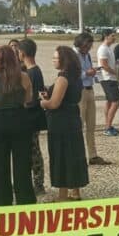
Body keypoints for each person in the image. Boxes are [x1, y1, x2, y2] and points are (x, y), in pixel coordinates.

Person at [0, 46, 35, 206]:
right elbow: (28, 98)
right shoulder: (24, 76)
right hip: (19, 119)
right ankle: (25, 199)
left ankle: (2, 200)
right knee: (22, 164)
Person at [40, 46, 89, 201]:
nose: (53, 60)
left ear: (63, 60)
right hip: (73, 118)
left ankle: (62, 195)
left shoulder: (63, 77)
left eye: (56, 58)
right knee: (74, 153)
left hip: (60, 121)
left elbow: (54, 103)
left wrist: (42, 102)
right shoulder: (76, 77)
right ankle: (75, 190)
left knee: (61, 156)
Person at [73, 32, 108, 166]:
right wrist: (86, 73)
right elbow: (72, 73)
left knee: (91, 125)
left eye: (90, 46)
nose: (88, 48)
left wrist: (93, 72)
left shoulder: (86, 54)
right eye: (86, 46)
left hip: (89, 89)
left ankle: (93, 155)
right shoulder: (73, 54)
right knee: (79, 124)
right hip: (80, 91)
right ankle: (78, 155)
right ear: (80, 43)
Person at [18, 39, 48, 195]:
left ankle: (38, 183)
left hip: (30, 117)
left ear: (22, 53)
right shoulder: (35, 70)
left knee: (33, 151)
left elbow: (31, 98)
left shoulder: (31, 73)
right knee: (33, 150)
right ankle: (36, 182)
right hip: (32, 116)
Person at [97, 30, 119, 136]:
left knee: (109, 102)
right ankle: (107, 127)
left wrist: (117, 63)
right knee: (115, 103)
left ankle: (108, 125)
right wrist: (116, 73)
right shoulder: (103, 49)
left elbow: (109, 63)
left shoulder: (108, 48)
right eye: (112, 36)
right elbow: (104, 65)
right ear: (106, 36)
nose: (114, 37)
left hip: (110, 78)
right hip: (108, 79)